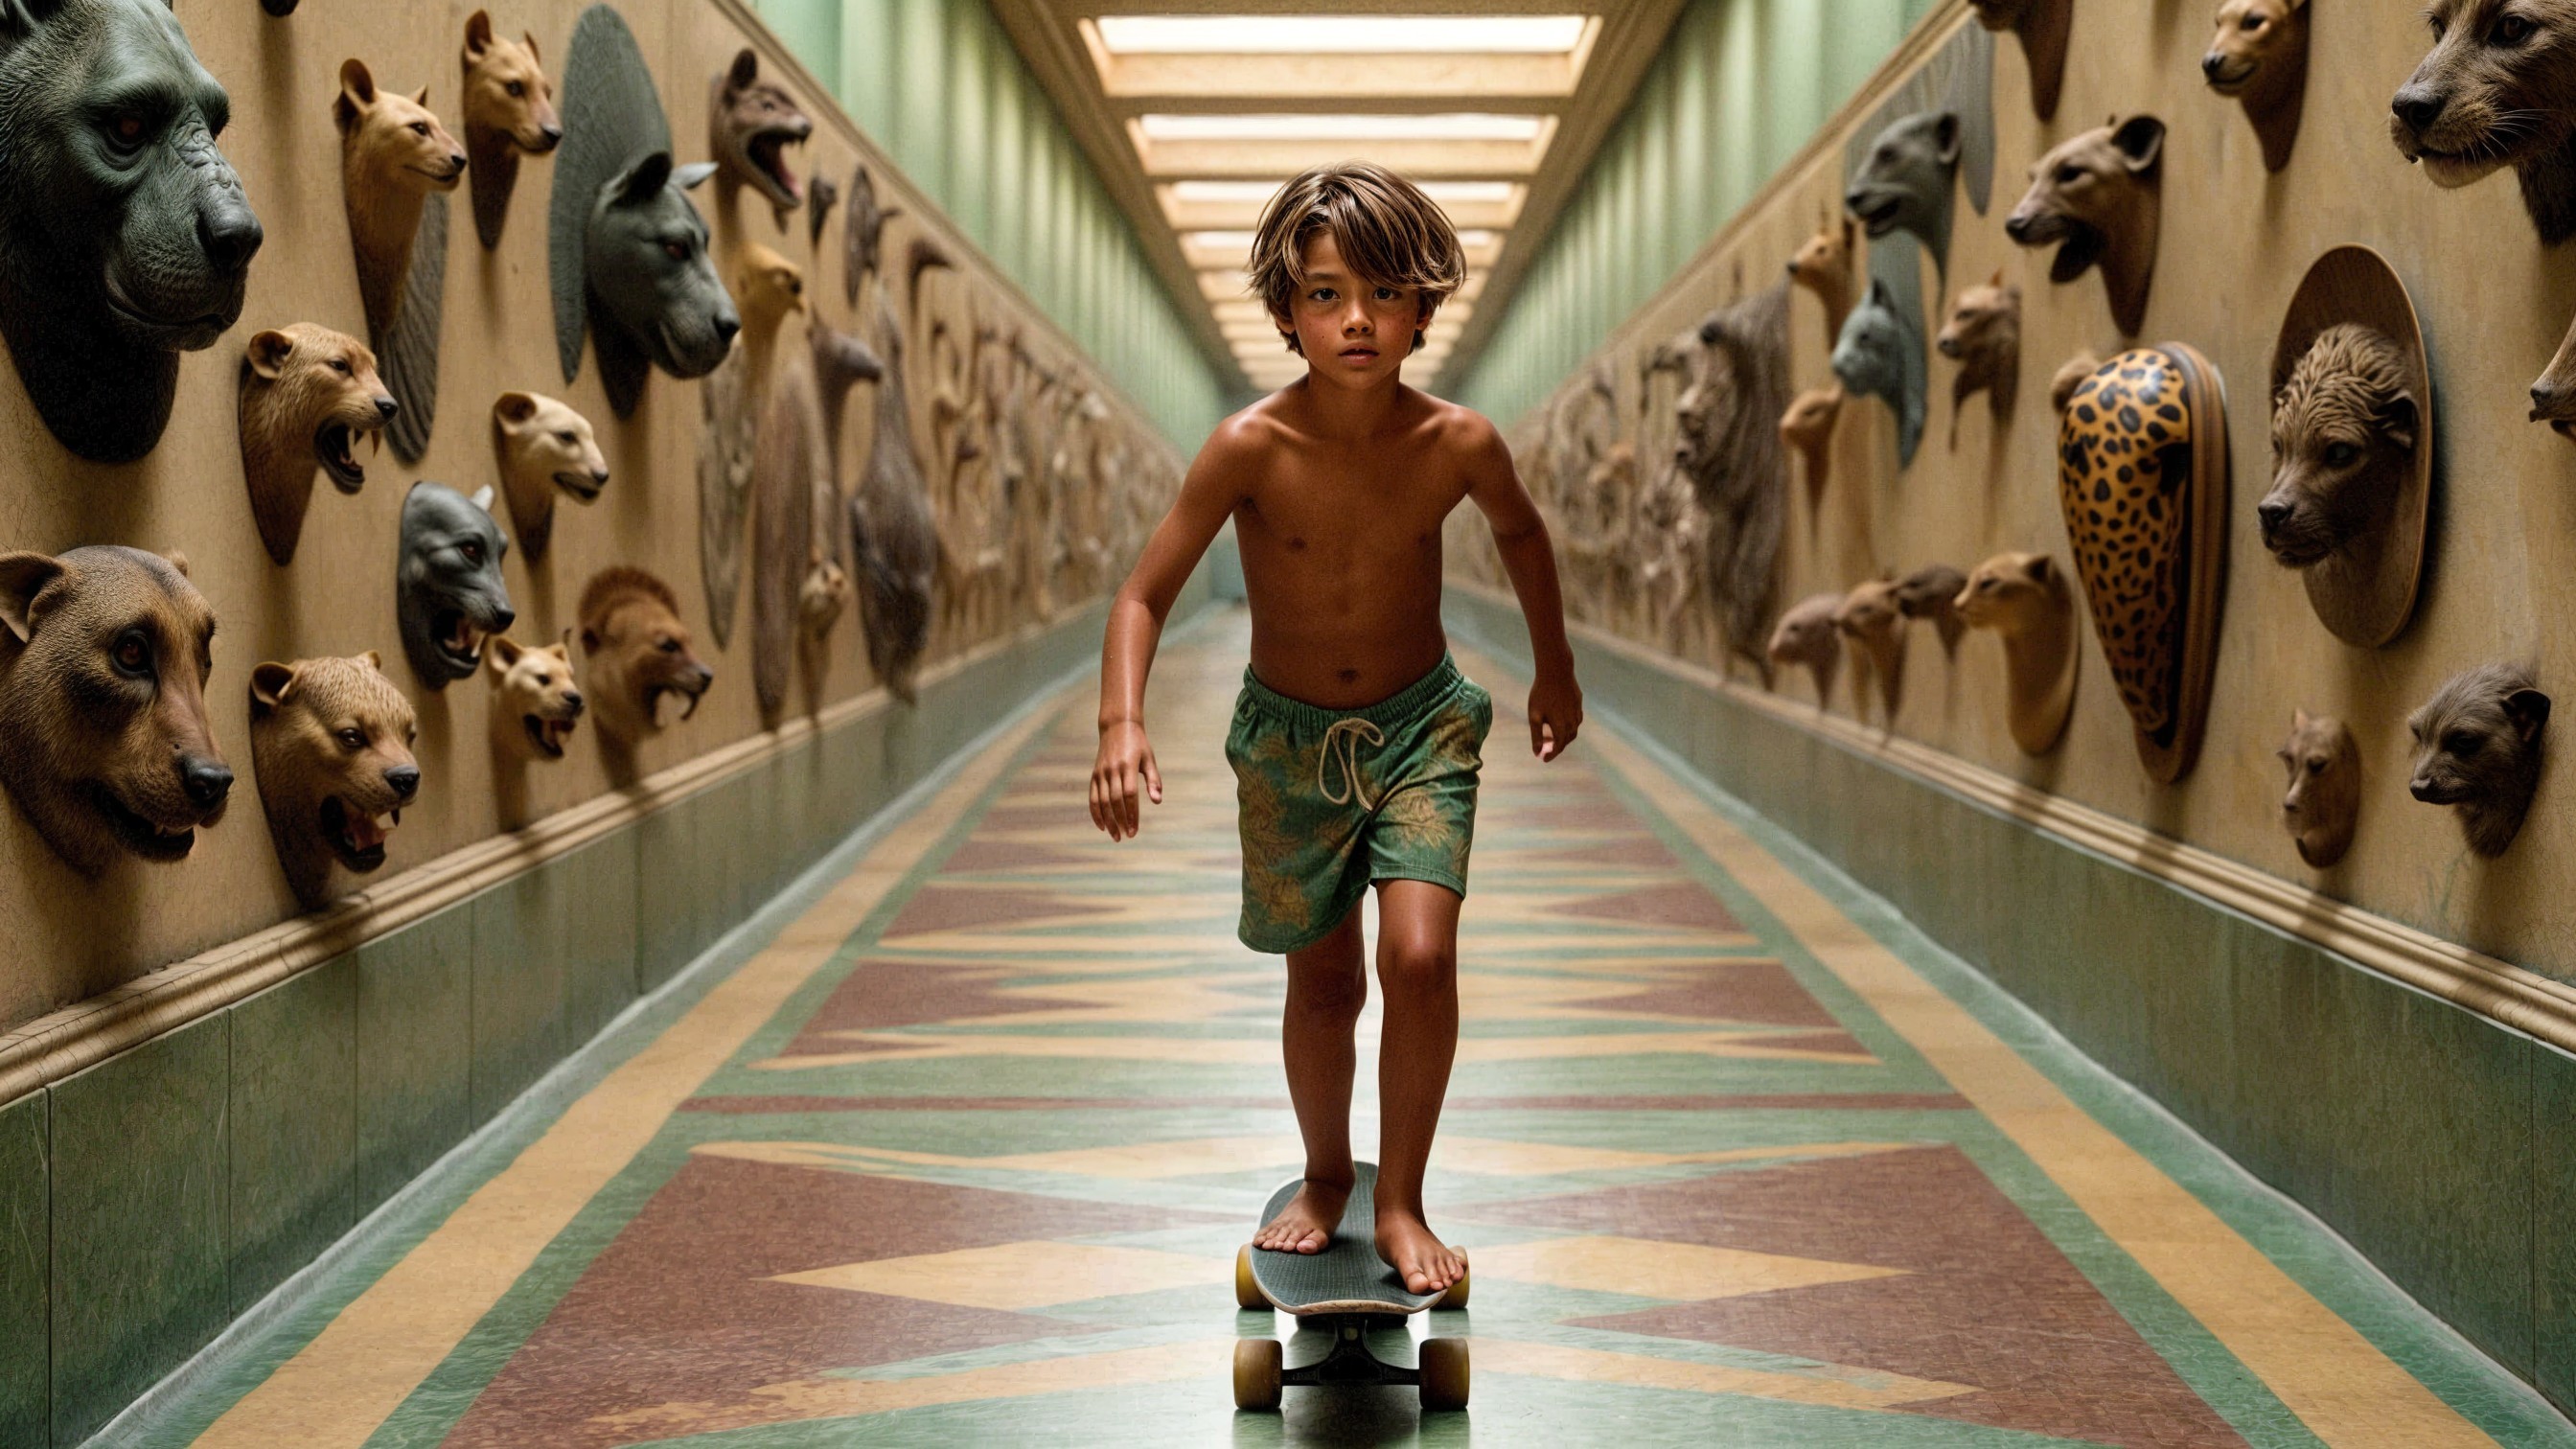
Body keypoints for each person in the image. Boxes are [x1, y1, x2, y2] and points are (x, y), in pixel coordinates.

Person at [1087, 162, 1581, 1294]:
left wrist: (1554, 667)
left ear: (1421, 308)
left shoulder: (1457, 443)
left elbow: (1524, 536)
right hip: (1289, 743)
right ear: (1285, 314)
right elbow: (1142, 593)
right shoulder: (1248, 448)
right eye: (1324, 295)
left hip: (1420, 729)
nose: (1355, 319)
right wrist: (1123, 719)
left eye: (1382, 294)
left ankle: (1399, 1198)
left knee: (1419, 955)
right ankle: (1324, 1175)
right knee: (1325, 987)